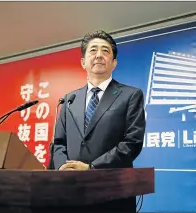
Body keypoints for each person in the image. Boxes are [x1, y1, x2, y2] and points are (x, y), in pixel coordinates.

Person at [52, 30, 146, 212]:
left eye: (105, 51)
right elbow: (58, 143)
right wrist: (64, 168)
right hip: (71, 192)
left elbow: (132, 142)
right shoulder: (69, 99)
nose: (99, 55)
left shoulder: (130, 95)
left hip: (113, 191)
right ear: (83, 62)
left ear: (114, 63)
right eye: (93, 50)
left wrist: (92, 167)